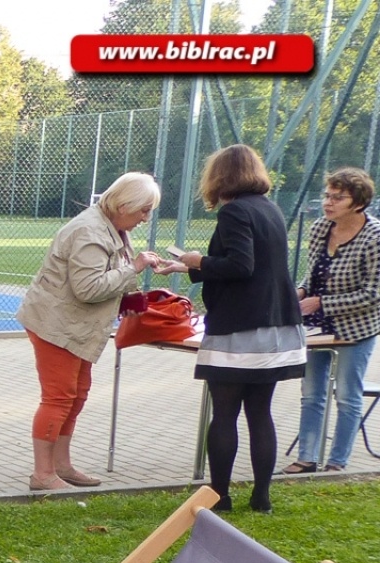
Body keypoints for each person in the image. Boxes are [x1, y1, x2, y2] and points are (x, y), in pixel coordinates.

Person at [160, 145, 305, 513]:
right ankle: (261, 498)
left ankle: (220, 496)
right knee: (260, 412)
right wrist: (187, 268)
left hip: (240, 329)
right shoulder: (269, 209)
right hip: (276, 327)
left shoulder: (234, 211)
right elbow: (252, 265)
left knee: (224, 413)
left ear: (219, 176)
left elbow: (241, 266)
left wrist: (198, 260)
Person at [16, 172, 165, 491]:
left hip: (75, 326)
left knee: (77, 393)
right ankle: (43, 475)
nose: (145, 218)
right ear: (124, 204)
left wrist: (133, 288)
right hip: (56, 325)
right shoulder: (89, 231)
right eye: (143, 210)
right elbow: (88, 288)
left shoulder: (111, 225)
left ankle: (61, 465)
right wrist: (134, 268)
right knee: (59, 397)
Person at [282, 166, 380, 475]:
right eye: (327, 195)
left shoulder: (375, 236)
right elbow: (311, 276)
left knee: (347, 396)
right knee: (311, 393)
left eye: (338, 197)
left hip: (356, 329)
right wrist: (297, 294)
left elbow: (374, 293)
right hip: (315, 328)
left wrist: (324, 302)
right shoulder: (320, 228)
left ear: (359, 202)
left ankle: (337, 463)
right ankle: (306, 458)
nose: (328, 202)